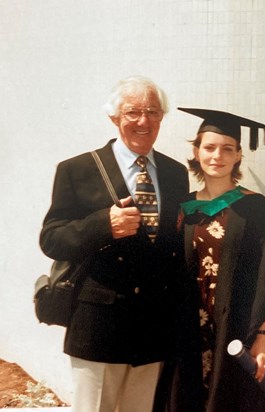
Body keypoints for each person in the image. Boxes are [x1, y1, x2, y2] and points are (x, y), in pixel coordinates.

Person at [39, 76, 195, 412]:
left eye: (152, 112)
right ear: (114, 118)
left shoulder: (174, 173)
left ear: (162, 118)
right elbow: (51, 238)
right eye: (133, 112)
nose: (143, 121)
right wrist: (102, 225)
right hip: (98, 328)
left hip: (152, 328)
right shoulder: (77, 170)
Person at [172, 107, 265, 412]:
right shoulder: (181, 209)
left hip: (239, 330)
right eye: (209, 147)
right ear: (196, 151)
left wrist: (264, 336)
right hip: (188, 330)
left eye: (227, 149)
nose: (217, 156)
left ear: (239, 154)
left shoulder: (263, 212)